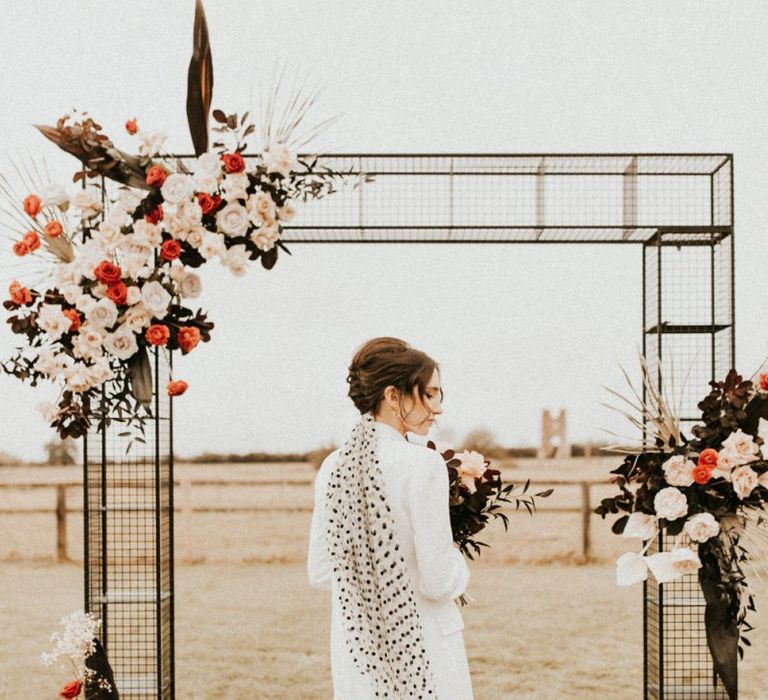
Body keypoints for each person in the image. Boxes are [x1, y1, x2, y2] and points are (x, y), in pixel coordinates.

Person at [308, 337, 473, 699]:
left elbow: (321, 573)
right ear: (393, 396)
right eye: (429, 394)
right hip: (424, 645)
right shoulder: (422, 464)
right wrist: (457, 558)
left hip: (357, 651)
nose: (438, 408)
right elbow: (437, 580)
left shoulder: (333, 466)